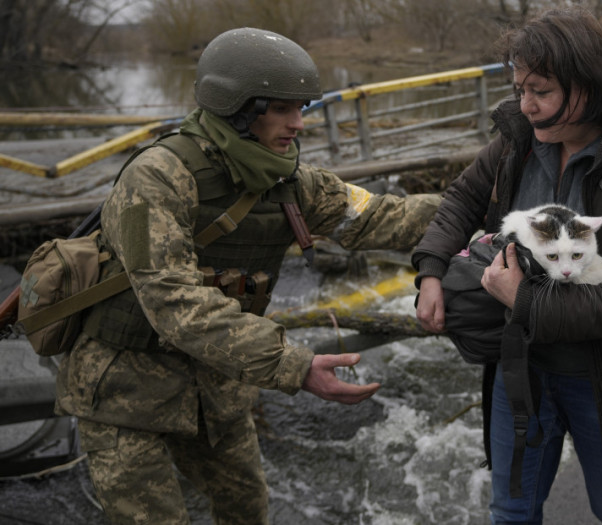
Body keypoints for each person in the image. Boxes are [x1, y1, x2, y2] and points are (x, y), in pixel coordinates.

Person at [54, 27, 440, 524]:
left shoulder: (289, 182)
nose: (299, 124)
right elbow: (174, 302)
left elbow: (383, 217)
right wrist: (294, 366)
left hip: (217, 388)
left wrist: (489, 207)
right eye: (282, 109)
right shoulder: (157, 178)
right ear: (239, 108)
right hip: (124, 393)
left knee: (247, 512)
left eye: (303, 108)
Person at [412, 7, 602, 524]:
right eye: (519, 88)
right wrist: (430, 271)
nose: (525, 105)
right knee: (511, 511)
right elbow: (462, 198)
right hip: (523, 367)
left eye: (541, 90)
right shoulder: (519, 138)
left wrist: (526, 299)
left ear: (590, 85)